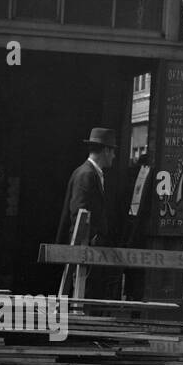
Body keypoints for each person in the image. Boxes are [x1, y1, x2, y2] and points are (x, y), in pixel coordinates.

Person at [56, 127, 120, 302]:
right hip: (86, 251)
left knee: (87, 297)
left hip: (90, 250)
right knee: (84, 297)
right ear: (105, 151)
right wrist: (91, 242)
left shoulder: (91, 173)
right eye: (112, 151)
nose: (114, 156)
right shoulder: (86, 174)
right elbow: (79, 214)